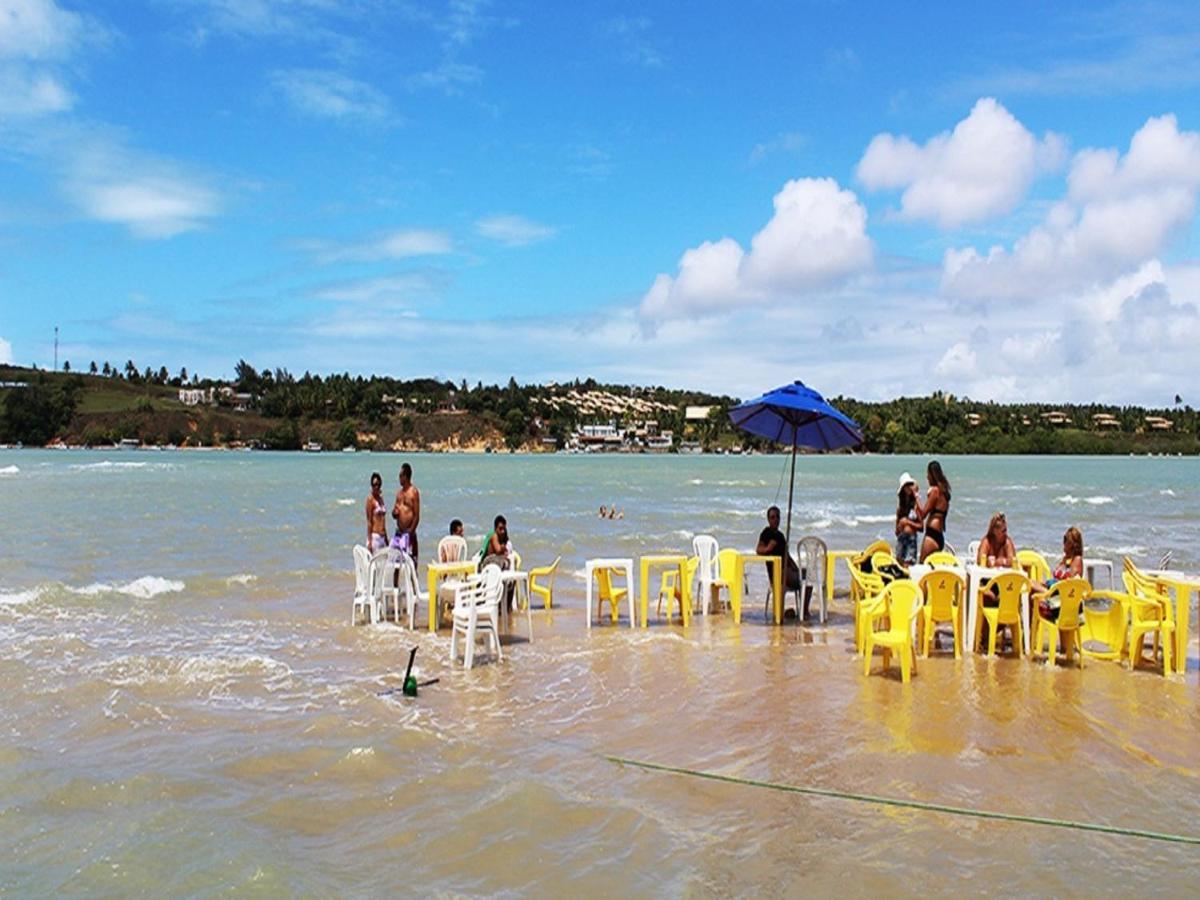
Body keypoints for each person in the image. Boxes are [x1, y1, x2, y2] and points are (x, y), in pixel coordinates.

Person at [756, 506, 804, 617]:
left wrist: (796, 567)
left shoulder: (781, 536)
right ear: (768, 519)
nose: (775, 520)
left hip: (787, 570)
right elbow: (758, 549)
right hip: (777, 573)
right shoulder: (766, 533)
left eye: (777, 517)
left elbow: (787, 555)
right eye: (773, 517)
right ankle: (785, 612)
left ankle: (804, 610)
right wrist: (768, 548)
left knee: (808, 577)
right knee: (800, 578)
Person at [1032, 527, 1085, 618]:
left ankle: (1031, 628)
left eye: (1065, 540)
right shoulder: (1066, 559)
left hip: (1063, 603)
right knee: (1031, 586)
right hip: (1056, 595)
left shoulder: (1077, 560)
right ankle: (1031, 629)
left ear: (1072, 544)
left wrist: (1049, 590)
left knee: (1032, 589)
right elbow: (1057, 579)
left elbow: (1069, 584)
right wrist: (1047, 584)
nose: (1063, 543)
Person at [917, 460, 951, 562]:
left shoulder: (935, 491)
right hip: (939, 535)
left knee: (922, 566)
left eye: (928, 474)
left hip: (931, 535)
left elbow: (923, 514)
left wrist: (916, 498)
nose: (927, 477)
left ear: (932, 475)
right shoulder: (944, 492)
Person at [391, 462, 421, 561]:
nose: (399, 478)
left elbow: (416, 516)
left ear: (406, 476)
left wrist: (411, 531)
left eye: (401, 476)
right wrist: (394, 513)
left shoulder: (413, 492)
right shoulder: (399, 493)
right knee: (396, 562)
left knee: (412, 562)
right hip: (399, 532)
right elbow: (394, 511)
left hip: (409, 532)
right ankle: (395, 577)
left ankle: (413, 577)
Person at [894, 473, 922, 565]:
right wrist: (899, 525)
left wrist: (907, 522)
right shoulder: (902, 506)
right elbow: (897, 531)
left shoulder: (916, 505)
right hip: (901, 539)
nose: (909, 488)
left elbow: (921, 527)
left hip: (911, 540)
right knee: (899, 565)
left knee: (908, 565)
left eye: (910, 484)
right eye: (906, 486)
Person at [364, 472, 388, 551]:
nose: (376, 487)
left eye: (378, 484)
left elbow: (383, 520)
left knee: (384, 562)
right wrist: (370, 541)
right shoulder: (370, 500)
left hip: (383, 537)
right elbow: (369, 521)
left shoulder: (381, 499)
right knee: (375, 562)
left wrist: (386, 538)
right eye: (374, 485)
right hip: (375, 537)